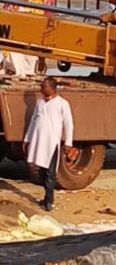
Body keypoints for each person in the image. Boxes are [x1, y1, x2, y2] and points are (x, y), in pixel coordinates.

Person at [23, 77, 76, 212]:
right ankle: (46, 196)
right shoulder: (40, 103)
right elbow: (34, 121)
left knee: (50, 173)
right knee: (40, 171)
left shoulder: (62, 103)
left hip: (52, 144)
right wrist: (27, 139)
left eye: (44, 86)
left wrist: (68, 143)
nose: (41, 89)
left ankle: (49, 201)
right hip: (38, 142)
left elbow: (68, 124)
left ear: (52, 88)